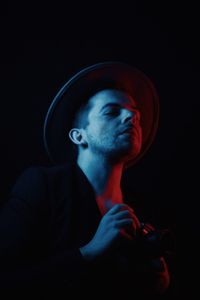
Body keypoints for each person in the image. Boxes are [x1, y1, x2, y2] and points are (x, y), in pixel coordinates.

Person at [0, 62, 171, 298]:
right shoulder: (41, 186)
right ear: (79, 135)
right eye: (111, 111)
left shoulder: (144, 208)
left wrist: (157, 285)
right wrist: (87, 253)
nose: (132, 115)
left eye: (136, 114)